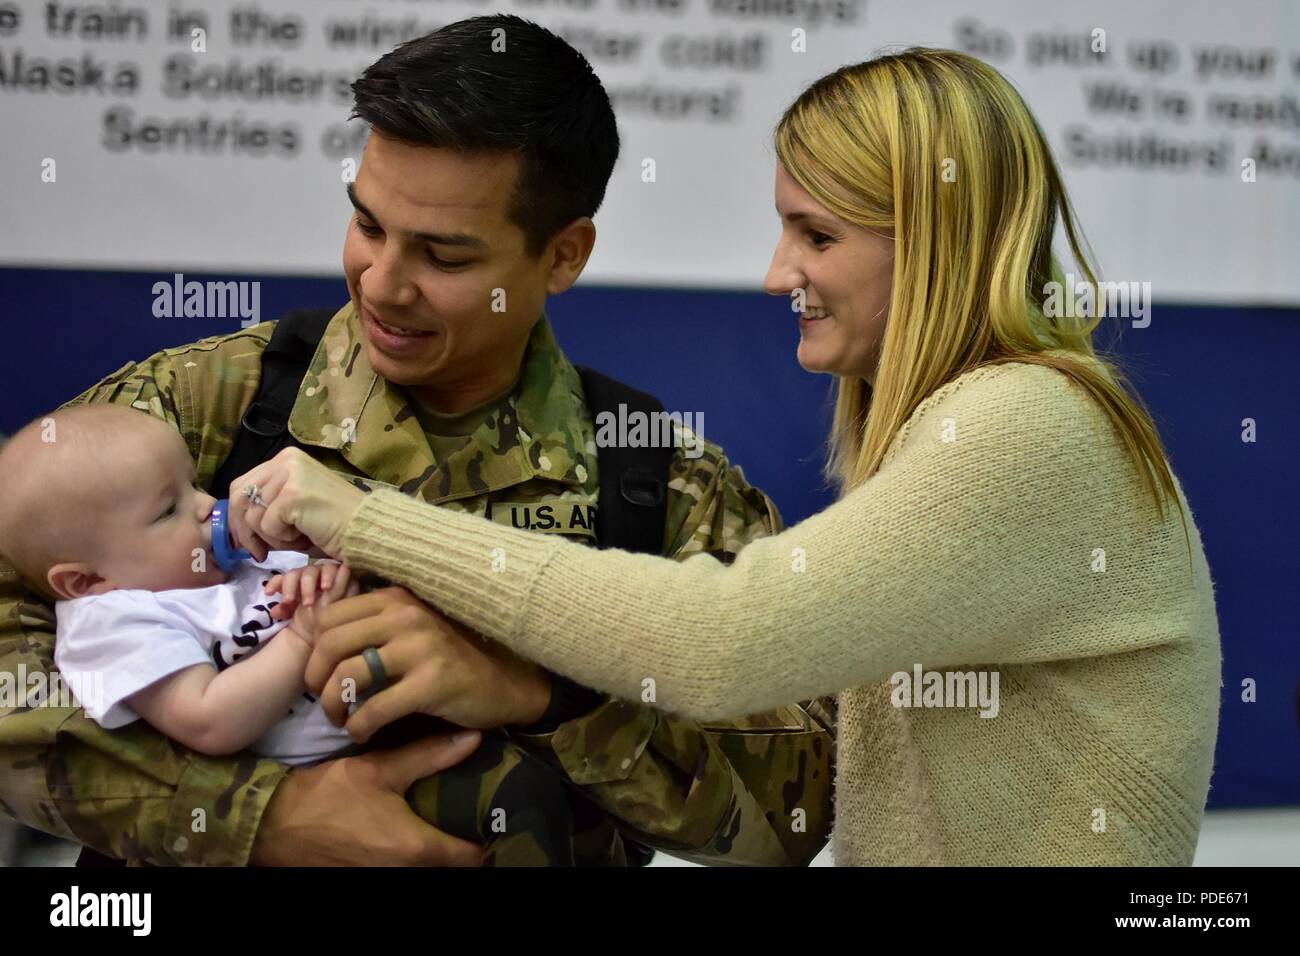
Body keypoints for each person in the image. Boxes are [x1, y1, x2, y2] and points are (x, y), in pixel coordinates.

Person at [234, 49, 1223, 866]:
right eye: (369, 223)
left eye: (817, 235)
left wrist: (363, 516)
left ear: (932, 242)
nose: (776, 272)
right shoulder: (982, 425)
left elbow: (718, 644)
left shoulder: (1026, 427)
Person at [0, 16, 832, 867]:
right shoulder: (207, 405)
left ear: (562, 256)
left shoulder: (652, 482)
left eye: (443, 256)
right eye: (368, 226)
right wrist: (259, 816)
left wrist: (550, 698)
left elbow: (793, 820)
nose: (383, 285)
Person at [0, 404, 588, 866]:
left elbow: (315, 586)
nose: (208, 507)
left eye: (194, 486)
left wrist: (326, 573)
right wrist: (305, 633)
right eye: (168, 511)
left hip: (387, 731)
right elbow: (209, 720)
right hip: (296, 792)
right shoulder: (115, 621)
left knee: (531, 800)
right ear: (85, 579)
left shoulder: (217, 567)